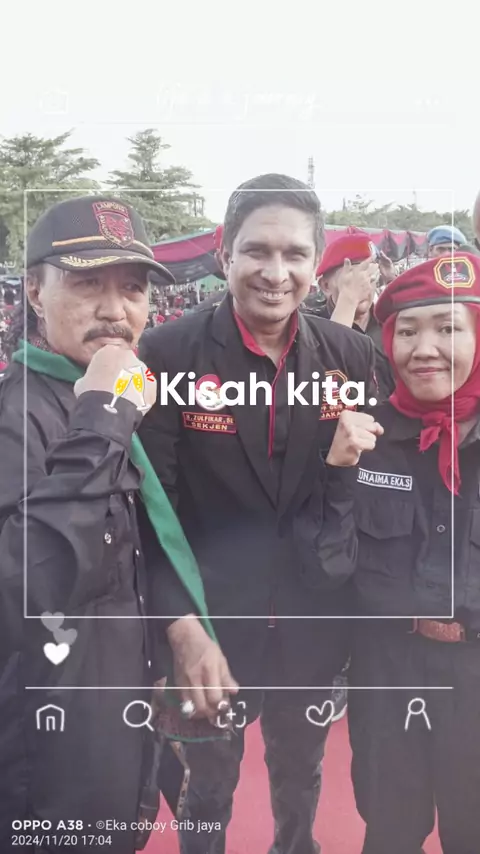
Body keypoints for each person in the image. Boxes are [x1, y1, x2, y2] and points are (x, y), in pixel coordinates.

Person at [138, 173, 382, 854]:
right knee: (208, 786)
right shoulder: (167, 353)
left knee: (300, 774)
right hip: (211, 627)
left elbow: (364, 485)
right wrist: (179, 628)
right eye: (257, 251)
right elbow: (153, 512)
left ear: (316, 263)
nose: (276, 273)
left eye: (295, 254)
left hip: (312, 620)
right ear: (225, 255)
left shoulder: (352, 357)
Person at [0, 195, 225, 853]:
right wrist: (101, 415)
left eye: (132, 288)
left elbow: (129, 543)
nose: (114, 311)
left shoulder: (105, 396)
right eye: (87, 284)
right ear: (35, 292)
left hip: (111, 734)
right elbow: (26, 589)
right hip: (43, 769)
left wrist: (180, 627)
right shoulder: (24, 416)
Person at [345, 252, 480, 854]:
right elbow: (325, 566)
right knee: (390, 832)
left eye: (449, 328)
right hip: (388, 670)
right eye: (407, 331)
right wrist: (335, 471)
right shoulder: (361, 438)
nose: (425, 349)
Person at [315, 233, 395, 402]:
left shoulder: (390, 325)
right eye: (352, 279)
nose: (364, 287)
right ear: (325, 286)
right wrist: (348, 302)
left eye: (370, 277)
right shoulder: (309, 329)